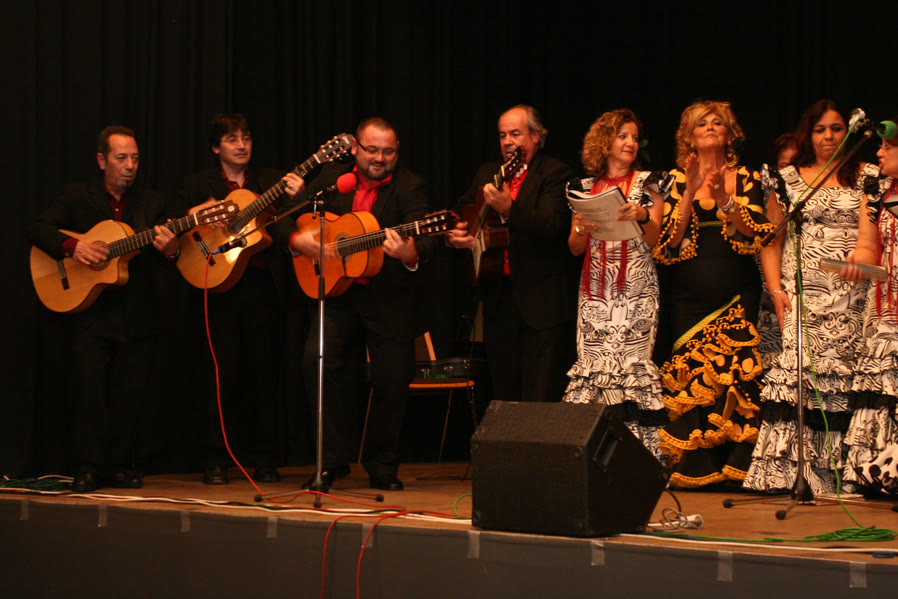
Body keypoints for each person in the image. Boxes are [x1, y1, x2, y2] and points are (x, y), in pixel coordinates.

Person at [274, 116, 436, 492]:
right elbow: (283, 219)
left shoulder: (410, 186)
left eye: (388, 151)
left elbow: (426, 235)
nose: (379, 158)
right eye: (372, 150)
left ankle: (382, 465)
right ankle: (330, 462)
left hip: (388, 298)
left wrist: (410, 252)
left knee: (392, 379)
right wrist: (299, 242)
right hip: (337, 294)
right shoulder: (333, 179)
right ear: (355, 148)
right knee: (317, 364)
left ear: (397, 152)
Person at [27, 126, 180, 492]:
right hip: (91, 314)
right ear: (102, 160)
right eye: (121, 158)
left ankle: (120, 466)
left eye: (135, 159)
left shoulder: (153, 203)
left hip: (137, 312)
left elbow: (167, 262)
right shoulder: (77, 196)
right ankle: (89, 467)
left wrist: (171, 250)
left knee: (130, 393)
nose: (130, 166)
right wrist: (73, 247)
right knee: (90, 391)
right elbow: (37, 228)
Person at [745, 99, 881, 494]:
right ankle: (791, 474)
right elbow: (770, 239)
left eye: (836, 128)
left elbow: (869, 238)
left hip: (850, 296)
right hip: (800, 294)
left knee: (842, 381)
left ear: (847, 133)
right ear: (808, 134)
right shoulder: (787, 178)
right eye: (820, 129)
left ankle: (839, 477)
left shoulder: (867, 176)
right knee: (799, 377)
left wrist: (861, 257)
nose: (828, 136)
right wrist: (776, 290)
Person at [652, 101, 773, 488]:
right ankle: (697, 467)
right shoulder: (672, 179)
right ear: (688, 136)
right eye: (701, 123)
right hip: (688, 295)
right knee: (693, 379)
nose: (709, 127)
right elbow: (669, 241)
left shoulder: (748, 177)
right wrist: (689, 192)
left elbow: (756, 231)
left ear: (730, 133)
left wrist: (724, 199)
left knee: (735, 375)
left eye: (717, 122)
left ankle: (734, 465)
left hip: (736, 291)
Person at [180, 113, 305, 485]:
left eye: (246, 137)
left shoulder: (271, 181)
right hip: (219, 286)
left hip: (263, 288)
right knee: (222, 375)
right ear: (215, 147)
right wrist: (193, 215)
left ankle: (264, 458)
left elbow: (290, 222)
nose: (241, 145)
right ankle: (216, 458)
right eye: (232, 139)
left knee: (264, 375)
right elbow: (177, 229)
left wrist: (297, 195)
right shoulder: (196, 184)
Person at [448, 105, 579, 404]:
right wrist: (456, 233)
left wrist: (510, 209)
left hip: (541, 304)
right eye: (502, 135)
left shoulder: (555, 173)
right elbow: (461, 209)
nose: (508, 142)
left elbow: (551, 225)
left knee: (539, 397)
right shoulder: (488, 173)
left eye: (515, 134)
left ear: (535, 136)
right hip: (499, 299)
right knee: (504, 395)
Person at [561, 109, 667, 460]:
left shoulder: (651, 183)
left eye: (635, 137)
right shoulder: (583, 188)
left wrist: (643, 216)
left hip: (636, 290)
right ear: (605, 142)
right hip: (595, 291)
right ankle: (592, 454)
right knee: (594, 368)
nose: (631, 143)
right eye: (623, 136)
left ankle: (637, 458)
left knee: (632, 369)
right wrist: (581, 227)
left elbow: (654, 239)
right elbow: (575, 248)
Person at [837, 119, 897, 494]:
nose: (878, 152)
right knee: (883, 388)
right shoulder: (876, 192)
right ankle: (879, 475)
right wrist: (855, 263)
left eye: (888, 147)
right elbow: (867, 246)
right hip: (886, 309)